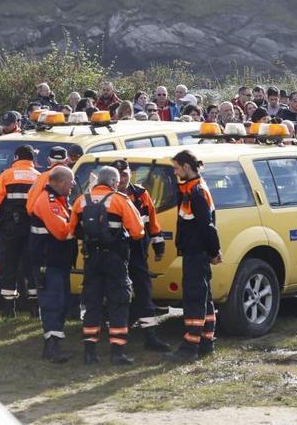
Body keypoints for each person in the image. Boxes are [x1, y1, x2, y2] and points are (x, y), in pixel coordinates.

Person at [68, 166, 144, 365]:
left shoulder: (81, 200)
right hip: (115, 260)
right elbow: (138, 232)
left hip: (91, 259)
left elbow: (71, 230)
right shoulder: (120, 200)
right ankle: (117, 352)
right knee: (119, 302)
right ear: (114, 183)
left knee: (92, 303)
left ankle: (89, 352)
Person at [108, 160, 171, 352]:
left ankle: (150, 336)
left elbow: (152, 222)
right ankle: (117, 334)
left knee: (144, 290)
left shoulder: (141, 194)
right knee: (116, 292)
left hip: (137, 251)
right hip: (115, 252)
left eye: (125, 173)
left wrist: (159, 246)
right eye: (119, 175)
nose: (123, 178)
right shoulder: (106, 197)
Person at [167, 150, 222, 361]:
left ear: (186, 167)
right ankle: (207, 341)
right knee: (204, 298)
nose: (174, 172)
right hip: (196, 252)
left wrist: (214, 251)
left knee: (194, 299)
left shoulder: (196, 192)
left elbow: (207, 226)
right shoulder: (191, 189)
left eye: (176, 168)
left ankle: (190, 347)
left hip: (197, 254)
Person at [29, 166, 76, 363]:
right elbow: (61, 231)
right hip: (48, 263)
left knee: (62, 303)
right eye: (70, 181)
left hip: (58, 262)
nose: (73, 185)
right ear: (58, 182)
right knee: (53, 304)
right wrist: (77, 218)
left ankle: (54, 344)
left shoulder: (60, 200)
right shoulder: (48, 201)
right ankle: (51, 348)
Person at [0, 144, 40, 317]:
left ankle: (8, 309)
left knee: (8, 266)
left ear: (16, 157)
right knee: (32, 267)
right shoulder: (39, 178)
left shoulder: (6, 175)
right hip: (32, 230)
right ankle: (35, 309)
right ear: (33, 159)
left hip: (9, 229)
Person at [26, 146, 70, 215]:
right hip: (67, 220)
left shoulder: (42, 177)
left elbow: (31, 204)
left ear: (48, 160)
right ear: (67, 161)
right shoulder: (72, 178)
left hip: (44, 219)